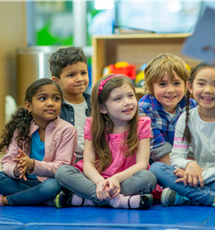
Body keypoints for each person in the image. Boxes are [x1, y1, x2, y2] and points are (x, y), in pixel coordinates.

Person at [54, 74, 157, 210]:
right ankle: (118, 201)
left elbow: (142, 164)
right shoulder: (92, 125)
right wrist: (100, 182)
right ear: (103, 108)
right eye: (117, 99)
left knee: (148, 177)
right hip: (96, 180)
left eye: (130, 96)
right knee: (62, 172)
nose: (127, 102)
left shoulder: (142, 124)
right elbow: (88, 164)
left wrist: (116, 179)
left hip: (125, 180)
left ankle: (89, 200)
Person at [150, 63, 215, 209]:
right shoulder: (186, 118)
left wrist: (203, 176)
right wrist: (190, 164)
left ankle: (188, 196)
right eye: (201, 83)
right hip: (194, 175)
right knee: (156, 168)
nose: (208, 90)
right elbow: (176, 157)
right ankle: (212, 197)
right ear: (190, 87)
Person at [0, 78, 77, 206]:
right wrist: (17, 170)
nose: (50, 103)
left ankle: (7, 201)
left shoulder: (67, 130)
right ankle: (44, 199)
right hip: (23, 181)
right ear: (29, 106)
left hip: (49, 182)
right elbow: (7, 162)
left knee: (52, 186)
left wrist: (32, 165)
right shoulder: (21, 128)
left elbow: (62, 167)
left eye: (56, 99)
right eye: (42, 98)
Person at [139, 53, 197, 165]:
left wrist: (191, 167)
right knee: (157, 168)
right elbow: (157, 149)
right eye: (162, 84)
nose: (170, 90)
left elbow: (194, 142)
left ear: (186, 85)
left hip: (186, 161)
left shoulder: (191, 106)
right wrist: (184, 169)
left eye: (176, 83)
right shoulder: (144, 109)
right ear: (151, 87)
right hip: (157, 161)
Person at [49, 47, 91, 163]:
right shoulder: (52, 108)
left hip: (92, 164)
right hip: (64, 164)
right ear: (57, 81)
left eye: (83, 73)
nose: (80, 79)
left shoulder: (96, 104)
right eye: (71, 75)